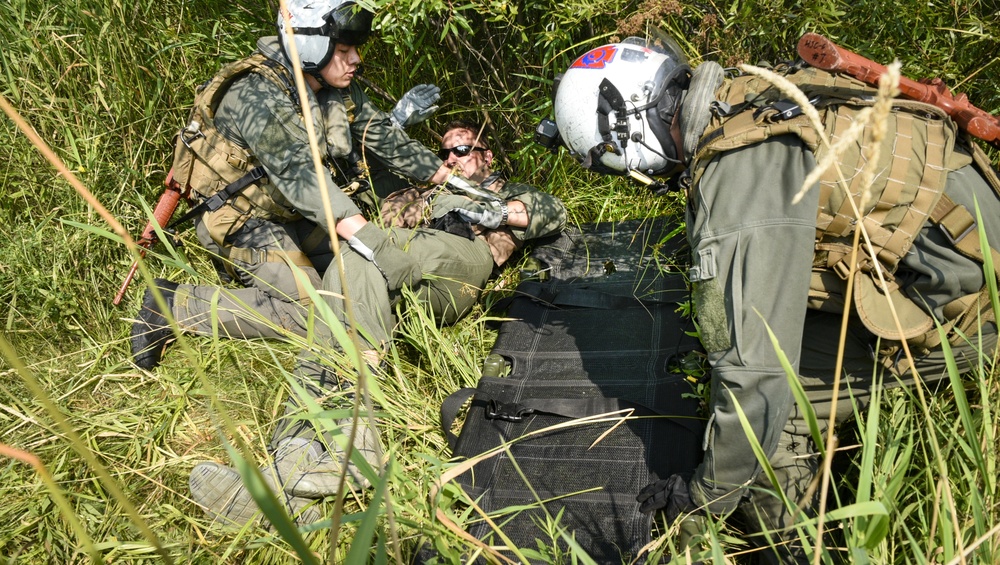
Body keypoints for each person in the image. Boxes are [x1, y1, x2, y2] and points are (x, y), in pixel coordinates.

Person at [550, 34, 1000, 563]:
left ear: (628, 130)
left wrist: (706, 502)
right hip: (954, 260)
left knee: (775, 410)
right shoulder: (752, 91)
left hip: (972, 307)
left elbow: (755, 375)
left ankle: (798, 549)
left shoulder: (737, 170)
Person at [130, 0, 450, 372]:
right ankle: (174, 306)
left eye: (355, 49)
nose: (356, 59)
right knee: (314, 312)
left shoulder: (331, 86)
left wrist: (453, 177)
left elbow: (384, 138)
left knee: (359, 275)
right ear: (311, 44)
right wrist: (376, 244)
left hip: (291, 213)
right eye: (344, 50)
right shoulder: (257, 96)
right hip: (242, 221)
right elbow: (305, 182)